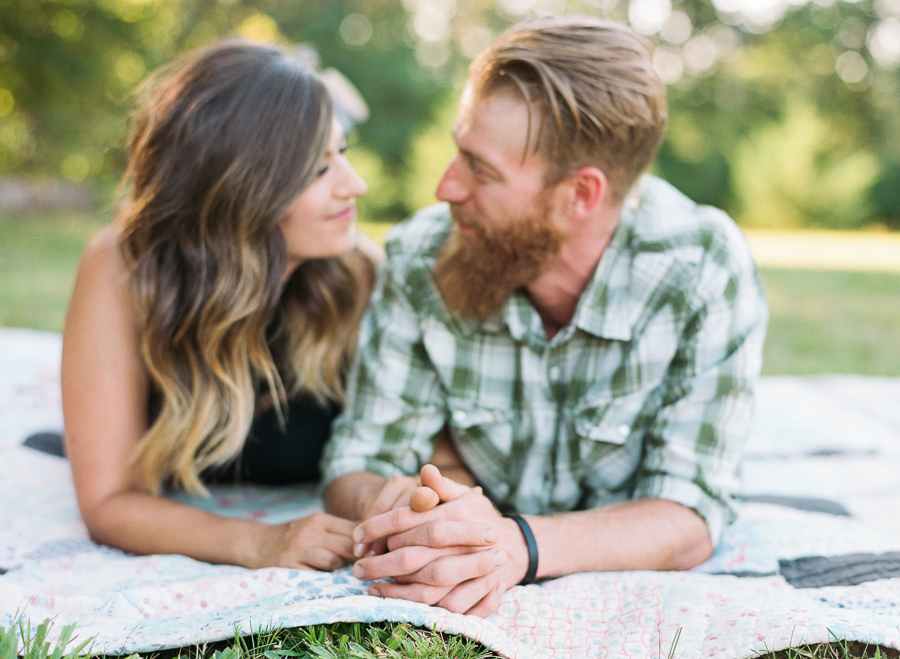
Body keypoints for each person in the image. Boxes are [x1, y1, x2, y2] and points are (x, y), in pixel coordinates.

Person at [321, 15, 768, 616]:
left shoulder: (702, 268)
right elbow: (356, 464)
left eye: (480, 169)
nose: (445, 188)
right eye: (460, 151)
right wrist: (402, 503)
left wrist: (516, 545)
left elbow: (689, 515)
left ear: (580, 194)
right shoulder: (422, 255)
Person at [61, 38, 391, 571]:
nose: (358, 185)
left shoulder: (360, 273)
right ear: (243, 190)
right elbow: (108, 500)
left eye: (343, 154)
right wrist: (262, 543)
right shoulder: (122, 266)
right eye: (319, 169)